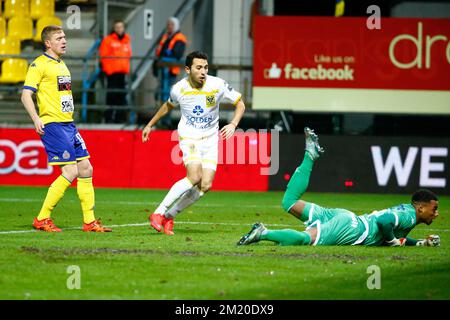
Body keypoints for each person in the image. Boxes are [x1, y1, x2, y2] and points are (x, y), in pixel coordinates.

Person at [237, 127, 440, 247]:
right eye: (435, 208)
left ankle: (310, 156)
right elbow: (385, 222)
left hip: (346, 218)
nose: (436, 213)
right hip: (352, 229)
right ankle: (263, 233)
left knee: (289, 202)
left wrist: (420, 243)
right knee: (306, 240)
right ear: (421, 207)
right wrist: (390, 242)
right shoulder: (410, 215)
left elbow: (397, 233)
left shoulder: (407, 212)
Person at [142, 50, 246, 236]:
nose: (203, 71)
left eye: (206, 67)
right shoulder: (178, 89)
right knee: (194, 176)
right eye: (198, 67)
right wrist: (150, 125)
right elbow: (168, 106)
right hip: (189, 137)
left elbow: (240, 104)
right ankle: (158, 213)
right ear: (188, 69)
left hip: (211, 139)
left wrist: (233, 124)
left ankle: (168, 216)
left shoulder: (217, 84)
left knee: (205, 185)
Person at [21, 25, 112, 233]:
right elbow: (26, 94)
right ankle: (42, 218)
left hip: (69, 124)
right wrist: (36, 118)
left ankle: (89, 222)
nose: (64, 40)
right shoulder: (38, 65)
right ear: (48, 43)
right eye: (59, 38)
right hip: (52, 124)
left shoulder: (62, 65)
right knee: (70, 170)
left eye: (65, 37)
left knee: (86, 168)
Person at [153, 17, 187, 128]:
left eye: (172, 24)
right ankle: (161, 120)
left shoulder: (179, 38)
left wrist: (167, 54)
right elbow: (160, 53)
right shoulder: (166, 37)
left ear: (176, 26)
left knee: (168, 95)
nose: (169, 26)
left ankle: (166, 120)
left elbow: (177, 54)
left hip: (171, 71)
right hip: (162, 70)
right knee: (161, 94)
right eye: (168, 24)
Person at [99, 20, 132, 123]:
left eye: (121, 27)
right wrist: (108, 70)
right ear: (114, 28)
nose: (119, 29)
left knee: (121, 96)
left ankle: (119, 118)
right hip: (112, 73)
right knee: (111, 96)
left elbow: (128, 55)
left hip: (122, 73)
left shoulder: (127, 40)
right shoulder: (108, 40)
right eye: (117, 27)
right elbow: (103, 56)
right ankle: (109, 118)